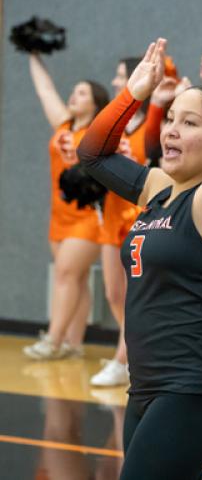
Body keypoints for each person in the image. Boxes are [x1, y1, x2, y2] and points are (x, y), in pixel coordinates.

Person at [77, 0, 202, 478]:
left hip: (194, 391)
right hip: (146, 388)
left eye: (191, 123)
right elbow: (92, 154)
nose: (172, 131)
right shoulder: (157, 187)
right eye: (171, 121)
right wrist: (134, 96)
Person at [23, 53, 109, 360]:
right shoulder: (64, 124)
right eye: (74, 90)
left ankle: (53, 341)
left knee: (65, 274)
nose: (74, 95)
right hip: (59, 215)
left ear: (96, 104)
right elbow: (45, 90)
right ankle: (74, 343)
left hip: (88, 218)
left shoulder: (100, 134)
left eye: (82, 92)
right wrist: (33, 54)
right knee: (76, 279)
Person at [90, 57, 149, 387]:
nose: (115, 81)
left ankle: (124, 359)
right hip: (112, 214)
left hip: (141, 217)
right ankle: (132, 352)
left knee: (135, 296)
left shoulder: (153, 122)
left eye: (120, 75)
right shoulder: (114, 120)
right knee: (113, 293)